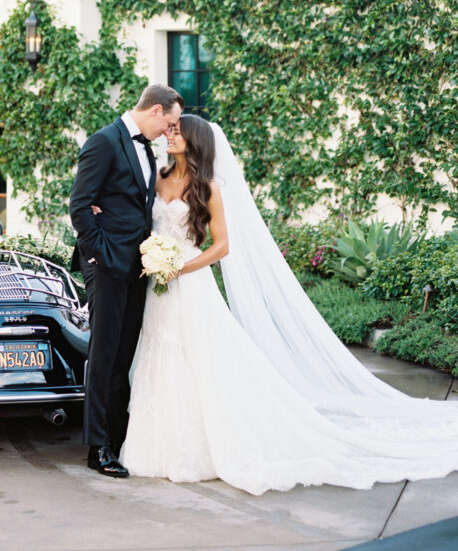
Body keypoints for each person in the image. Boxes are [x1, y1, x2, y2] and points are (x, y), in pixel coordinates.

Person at [121, 115, 458, 494]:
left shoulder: (209, 188)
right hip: (157, 285)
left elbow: (221, 247)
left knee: (196, 359)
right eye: (169, 129)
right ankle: (155, 446)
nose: (169, 135)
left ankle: (198, 448)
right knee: (158, 354)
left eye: (177, 131)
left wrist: (180, 267)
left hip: (189, 282)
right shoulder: (158, 175)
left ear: (194, 141)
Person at [69, 84, 183, 478]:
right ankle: (96, 446)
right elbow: (80, 205)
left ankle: (118, 437)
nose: (169, 132)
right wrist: (99, 254)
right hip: (107, 264)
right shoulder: (103, 142)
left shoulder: (147, 149)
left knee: (124, 353)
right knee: (104, 355)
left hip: (138, 264)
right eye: (168, 123)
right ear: (154, 110)